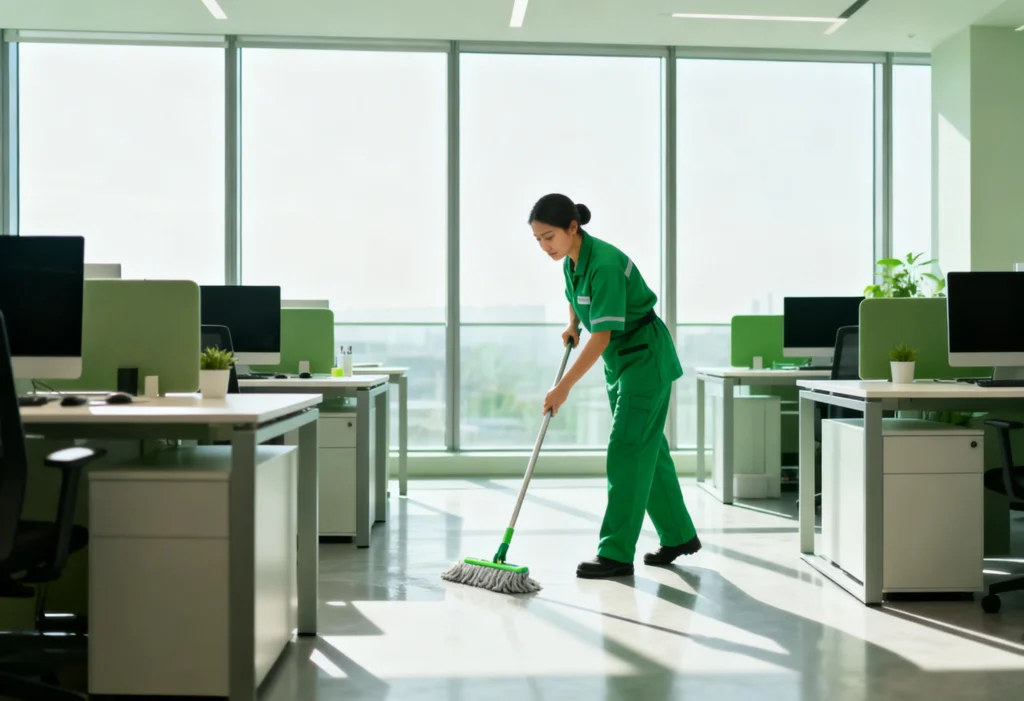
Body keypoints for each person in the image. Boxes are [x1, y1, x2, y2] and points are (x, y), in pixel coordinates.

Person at [531, 193, 701, 579]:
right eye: (538, 240)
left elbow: (603, 337)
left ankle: (616, 553)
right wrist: (573, 323)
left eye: (549, 237)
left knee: (627, 448)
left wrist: (564, 388)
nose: (545, 247)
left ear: (572, 228)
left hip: (643, 357)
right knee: (648, 450)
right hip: (620, 363)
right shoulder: (572, 259)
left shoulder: (605, 263)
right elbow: (575, 294)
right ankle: (679, 535)